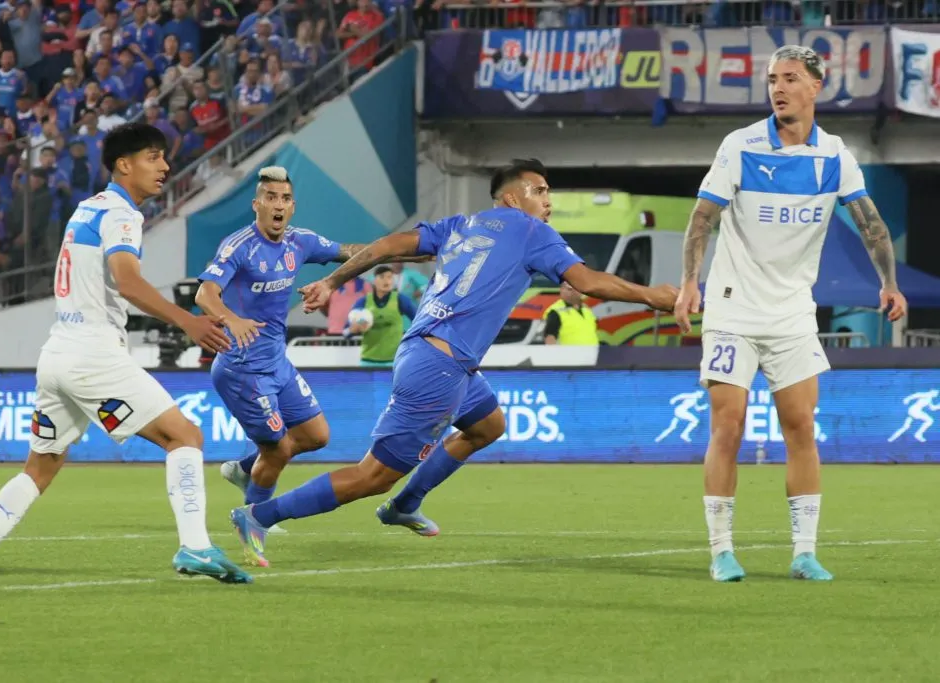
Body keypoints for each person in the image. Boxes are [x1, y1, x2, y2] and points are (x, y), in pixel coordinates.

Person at [226, 158, 678, 567]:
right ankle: (259, 515)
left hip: (435, 355)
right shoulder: (531, 231)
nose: (548, 201)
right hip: (438, 368)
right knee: (373, 476)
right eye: (540, 191)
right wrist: (652, 296)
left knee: (487, 426)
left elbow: (385, 246)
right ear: (512, 197)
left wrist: (330, 282)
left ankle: (406, 504)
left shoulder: (460, 224)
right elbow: (588, 281)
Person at [0, 122, 252, 585]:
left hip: (57, 355)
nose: (165, 166)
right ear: (124, 165)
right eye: (153, 157)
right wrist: (188, 321)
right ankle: (195, 547)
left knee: (40, 467)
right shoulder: (123, 215)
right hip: (92, 354)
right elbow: (126, 281)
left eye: (164, 156)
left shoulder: (88, 208)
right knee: (184, 437)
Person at [673, 46, 908, 584]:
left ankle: (804, 552)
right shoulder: (740, 146)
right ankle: (721, 550)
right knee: (727, 425)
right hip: (733, 309)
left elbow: (871, 225)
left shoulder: (835, 157)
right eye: (772, 79)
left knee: (800, 427)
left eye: (790, 79)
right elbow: (702, 218)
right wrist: (690, 281)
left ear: (815, 87)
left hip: (792, 315)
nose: (778, 88)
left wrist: (889, 283)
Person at [194, 166, 425, 551]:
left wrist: (396, 249)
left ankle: (244, 469)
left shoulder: (300, 242)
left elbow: (348, 252)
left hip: (276, 363)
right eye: (270, 197)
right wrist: (232, 320)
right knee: (278, 448)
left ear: (292, 206)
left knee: (316, 436)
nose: (278, 205)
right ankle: (255, 518)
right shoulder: (239, 246)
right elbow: (205, 294)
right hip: (241, 368)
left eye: (285, 198)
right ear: (256, 204)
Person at [345, 264, 418, 367]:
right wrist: (352, 330)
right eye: (382, 277)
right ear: (374, 280)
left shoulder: (400, 300)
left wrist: (409, 337)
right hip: (367, 361)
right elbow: (345, 333)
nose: (386, 281)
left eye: (390, 277)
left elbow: (418, 320)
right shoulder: (363, 302)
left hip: (394, 362)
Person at [543, 281, 598, 345]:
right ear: (561, 290)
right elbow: (550, 337)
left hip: (592, 353)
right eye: (568, 289)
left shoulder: (586, 309)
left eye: (575, 288)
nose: (572, 292)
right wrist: (553, 354)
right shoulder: (555, 311)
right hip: (569, 354)